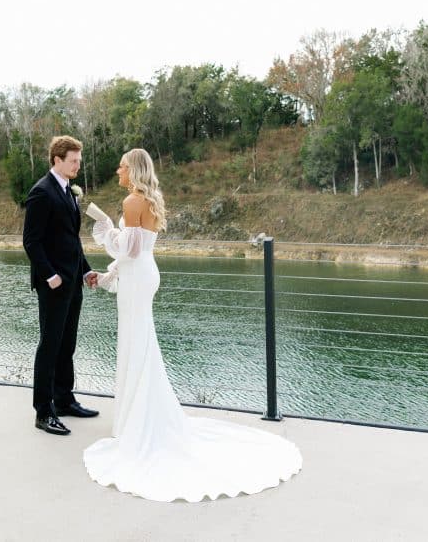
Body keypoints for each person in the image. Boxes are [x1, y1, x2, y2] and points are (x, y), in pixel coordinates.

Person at [84, 148, 303, 501]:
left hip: (137, 279)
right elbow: (134, 256)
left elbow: (127, 252)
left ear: (134, 170)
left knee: (136, 345)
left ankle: (136, 425)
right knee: (140, 345)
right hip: (143, 278)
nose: (117, 170)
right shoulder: (149, 200)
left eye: (122, 166)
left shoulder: (131, 202)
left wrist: (106, 230)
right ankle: (137, 418)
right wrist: (108, 276)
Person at [22, 135, 100, 436]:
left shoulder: (69, 191)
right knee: (50, 346)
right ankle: (43, 412)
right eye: (73, 161)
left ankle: (64, 400)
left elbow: (71, 239)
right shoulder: (41, 192)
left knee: (67, 344)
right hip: (53, 284)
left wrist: (85, 270)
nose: (78, 166)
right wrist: (50, 276)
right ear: (57, 160)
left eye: (79, 161)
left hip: (72, 282)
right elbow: (32, 241)